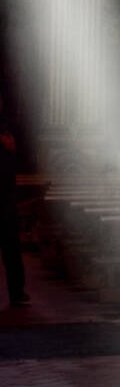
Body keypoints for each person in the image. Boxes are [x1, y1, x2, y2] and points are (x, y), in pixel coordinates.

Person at [0, 93, 28, 307]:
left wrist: (10, 145)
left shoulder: (6, 125)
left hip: (6, 194)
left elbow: (16, 151)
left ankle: (17, 292)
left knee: (12, 248)